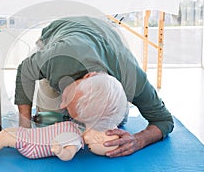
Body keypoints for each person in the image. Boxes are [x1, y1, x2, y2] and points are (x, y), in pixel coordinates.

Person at [15, 16, 174, 157]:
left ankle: (84, 117)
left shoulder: (133, 79)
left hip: (105, 43)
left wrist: (139, 140)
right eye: (67, 97)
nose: (63, 104)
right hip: (60, 34)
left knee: (115, 124)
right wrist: (25, 127)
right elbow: (25, 71)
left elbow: (164, 120)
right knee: (46, 124)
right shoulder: (56, 57)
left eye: (66, 100)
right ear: (88, 76)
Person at [0, 121, 119, 160]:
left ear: (98, 137)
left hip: (33, 146)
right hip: (32, 135)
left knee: (6, 137)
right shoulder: (77, 128)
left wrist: (60, 151)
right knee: (6, 132)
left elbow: (69, 155)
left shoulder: (76, 140)